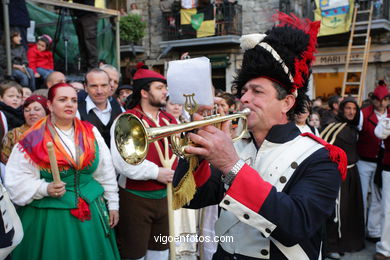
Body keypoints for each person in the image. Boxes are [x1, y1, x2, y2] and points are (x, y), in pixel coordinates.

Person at [173, 13, 346, 259]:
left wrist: (231, 166)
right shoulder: (236, 145)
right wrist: (196, 144)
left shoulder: (322, 158)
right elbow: (191, 198)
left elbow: (296, 225)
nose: (244, 98)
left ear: (286, 102)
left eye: (257, 91)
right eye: (243, 90)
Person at [4, 83, 120, 260]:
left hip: (92, 213)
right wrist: (45, 188)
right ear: (50, 105)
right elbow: (15, 181)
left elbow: (105, 171)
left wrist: (113, 203)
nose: (69, 104)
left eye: (73, 100)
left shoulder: (90, 132)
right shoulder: (32, 139)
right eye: (62, 99)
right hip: (50, 219)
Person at [110, 66, 176, 259]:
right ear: (144, 93)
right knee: (134, 255)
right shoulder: (126, 119)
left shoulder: (170, 119)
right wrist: (156, 173)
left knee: (160, 254)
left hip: (165, 197)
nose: (165, 92)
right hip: (135, 198)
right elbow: (122, 162)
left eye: (165, 87)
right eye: (159, 87)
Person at [321, 98, 365, 258]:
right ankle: (331, 246)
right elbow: (323, 147)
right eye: (348, 108)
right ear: (341, 109)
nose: (351, 112)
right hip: (339, 174)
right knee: (336, 211)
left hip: (353, 173)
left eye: (354, 108)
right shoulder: (333, 126)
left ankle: (345, 243)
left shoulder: (353, 127)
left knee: (349, 210)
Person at [357, 81, 390, 244]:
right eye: (378, 99)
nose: (381, 103)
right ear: (373, 99)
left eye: (384, 99)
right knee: (362, 196)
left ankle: (374, 230)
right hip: (364, 160)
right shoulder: (364, 113)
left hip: (383, 163)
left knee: (378, 198)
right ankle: (358, 231)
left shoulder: (389, 114)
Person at [77, 68, 123, 147]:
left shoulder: (118, 108)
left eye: (104, 85)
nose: (99, 91)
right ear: (85, 87)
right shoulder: (77, 110)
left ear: (109, 86)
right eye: (94, 86)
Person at [1, 95, 49, 164]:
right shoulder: (13, 134)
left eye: (37, 109)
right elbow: (5, 160)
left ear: (46, 112)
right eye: (27, 110)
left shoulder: (56, 133)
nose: (31, 113)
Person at [373, 116, 390, 260]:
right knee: (387, 209)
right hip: (389, 169)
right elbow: (379, 134)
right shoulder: (387, 120)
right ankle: (385, 248)